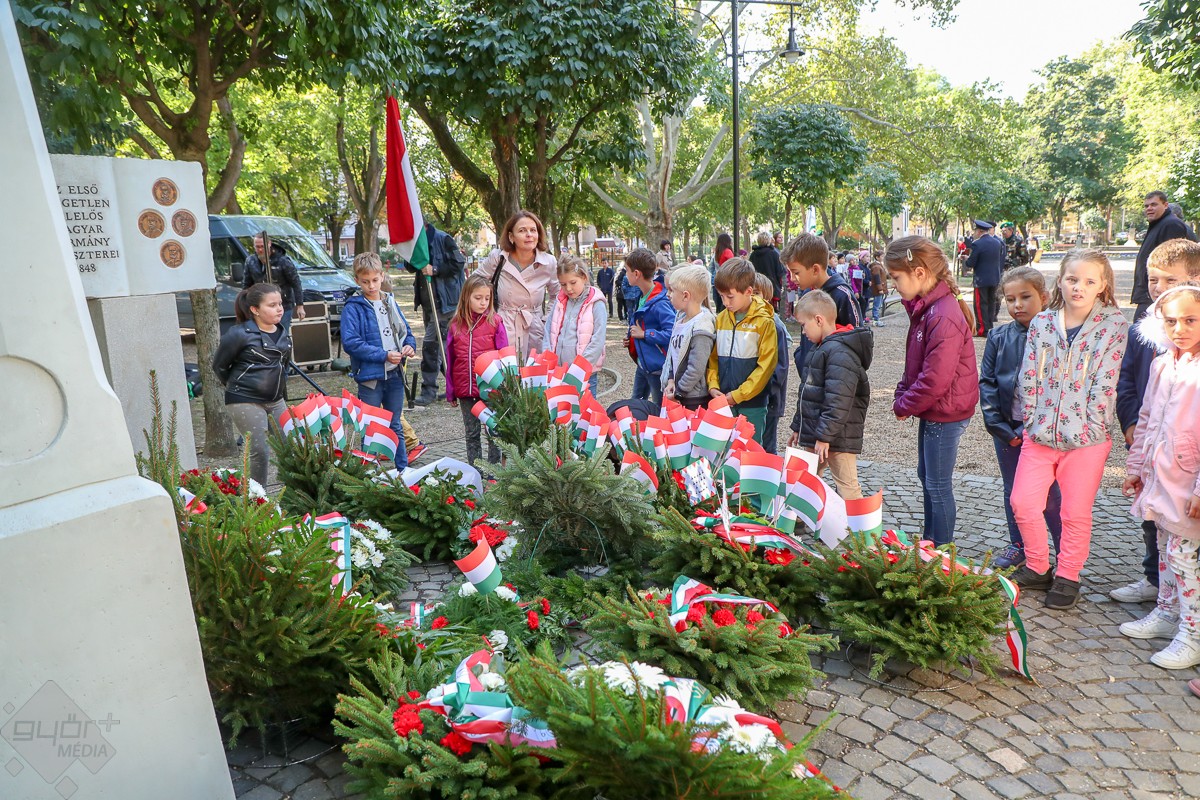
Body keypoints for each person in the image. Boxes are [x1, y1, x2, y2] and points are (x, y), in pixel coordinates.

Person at [1009, 250, 1128, 609]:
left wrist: (1092, 423)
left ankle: (1068, 575)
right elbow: (1029, 373)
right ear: (1060, 280)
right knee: (1023, 502)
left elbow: (1107, 380)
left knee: (1074, 512)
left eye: (1089, 281)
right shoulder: (1043, 322)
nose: (1079, 287)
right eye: (1073, 279)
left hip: (1087, 440)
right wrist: (1032, 417)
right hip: (1041, 434)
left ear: (1102, 285)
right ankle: (1038, 566)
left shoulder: (1113, 325)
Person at [1111, 239, 1200, 603]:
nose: (1158, 287)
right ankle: (1155, 582)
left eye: (1169, 280)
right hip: (1148, 440)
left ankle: (1186, 609)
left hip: (1186, 454)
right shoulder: (1147, 326)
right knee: (1154, 521)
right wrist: (1130, 423)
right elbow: (1128, 379)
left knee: (1184, 536)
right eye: (1153, 280)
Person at [1119, 285, 1200, 669]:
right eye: (1171, 321)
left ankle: (1193, 633)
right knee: (1167, 547)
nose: (1179, 329)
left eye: (1190, 320)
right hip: (1161, 476)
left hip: (1188, 481)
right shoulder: (1162, 363)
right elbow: (1148, 418)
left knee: (1184, 556)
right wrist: (1136, 468)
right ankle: (1167, 612)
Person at [885, 236, 979, 547]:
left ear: (920, 273)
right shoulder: (928, 308)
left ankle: (940, 549)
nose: (894, 285)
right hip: (936, 409)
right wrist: (903, 392)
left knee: (937, 485)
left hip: (945, 411)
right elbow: (916, 363)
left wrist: (904, 404)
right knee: (927, 478)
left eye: (896, 277)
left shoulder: (942, 313)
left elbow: (935, 379)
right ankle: (931, 543)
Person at [979, 266, 1063, 569]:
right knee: (1013, 490)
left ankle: (1064, 549)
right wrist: (999, 426)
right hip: (1009, 429)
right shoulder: (999, 336)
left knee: (1050, 494)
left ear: (1044, 297)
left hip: (1045, 432)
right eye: (1010, 299)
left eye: (1025, 297)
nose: (1017, 305)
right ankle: (1020, 544)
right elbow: (988, 382)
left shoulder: (1059, 335)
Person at [788, 290, 872, 499]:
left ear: (819, 320)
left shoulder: (840, 353)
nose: (803, 332)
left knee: (847, 485)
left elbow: (838, 400)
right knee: (807, 481)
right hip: (818, 433)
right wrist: (798, 426)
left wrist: (824, 436)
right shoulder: (822, 348)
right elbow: (808, 392)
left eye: (804, 325)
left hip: (837, 436)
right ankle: (802, 515)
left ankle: (858, 522)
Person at [341, 252, 417, 469]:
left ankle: (403, 471)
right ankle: (369, 474)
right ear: (357, 280)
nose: (371, 286)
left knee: (395, 425)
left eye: (375, 280)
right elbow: (351, 343)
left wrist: (409, 345)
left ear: (382, 276)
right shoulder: (353, 307)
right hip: (370, 378)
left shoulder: (389, 301)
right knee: (371, 427)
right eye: (365, 281)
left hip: (394, 373)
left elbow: (406, 331)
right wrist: (383, 355)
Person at [212, 283, 291, 486]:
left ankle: (293, 494)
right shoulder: (238, 334)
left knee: (291, 446)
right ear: (255, 310)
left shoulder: (283, 333)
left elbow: (283, 367)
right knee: (259, 451)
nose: (279, 309)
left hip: (276, 400)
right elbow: (220, 366)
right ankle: (257, 497)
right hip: (244, 398)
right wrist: (240, 387)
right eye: (272, 305)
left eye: (280, 304)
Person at [707, 257, 778, 444]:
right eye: (721, 296)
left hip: (752, 405)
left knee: (749, 450)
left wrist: (738, 395)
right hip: (723, 401)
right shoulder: (721, 318)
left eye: (730, 297)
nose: (725, 302)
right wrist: (713, 385)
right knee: (723, 450)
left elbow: (766, 367)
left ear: (748, 292)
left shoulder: (764, 322)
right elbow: (713, 359)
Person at [781, 233, 863, 385]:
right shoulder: (807, 293)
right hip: (810, 384)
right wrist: (801, 357)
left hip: (834, 386)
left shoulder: (842, 295)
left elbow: (858, 344)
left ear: (815, 269)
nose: (792, 278)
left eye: (796, 272)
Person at [446, 273, 509, 468]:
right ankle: (475, 471)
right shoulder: (455, 325)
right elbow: (451, 360)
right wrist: (451, 391)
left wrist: (505, 386)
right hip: (466, 390)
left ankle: (494, 471)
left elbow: (504, 356)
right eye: (478, 298)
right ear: (467, 297)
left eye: (487, 298)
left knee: (494, 431)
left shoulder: (495, 322)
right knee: (472, 433)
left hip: (490, 389)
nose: (483, 303)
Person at [476, 210, 557, 356]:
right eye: (522, 230)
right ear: (511, 236)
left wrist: (547, 320)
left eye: (533, 230)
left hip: (534, 327)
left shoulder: (548, 262)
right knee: (506, 367)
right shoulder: (498, 258)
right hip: (503, 325)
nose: (529, 234)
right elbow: (474, 284)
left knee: (532, 367)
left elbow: (557, 295)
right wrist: (487, 313)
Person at [406, 223, 466, 406]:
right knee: (444, 349)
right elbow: (410, 267)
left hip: (444, 304)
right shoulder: (415, 242)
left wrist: (435, 269)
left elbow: (459, 263)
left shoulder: (443, 238)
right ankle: (456, 387)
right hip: (428, 304)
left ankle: (429, 390)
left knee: (430, 346)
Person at [544, 256, 607, 396]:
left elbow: (598, 339)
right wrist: (548, 358)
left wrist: (579, 368)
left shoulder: (596, 304)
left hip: (584, 374)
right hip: (558, 371)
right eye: (563, 284)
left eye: (573, 282)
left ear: (584, 277)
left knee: (585, 408)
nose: (568, 288)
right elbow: (548, 330)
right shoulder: (559, 302)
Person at [660, 264, 717, 411]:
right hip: (679, 392)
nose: (668, 294)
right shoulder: (680, 321)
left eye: (672, 290)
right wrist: (671, 380)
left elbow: (696, 368)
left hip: (693, 398)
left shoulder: (701, 328)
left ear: (685, 295)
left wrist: (679, 392)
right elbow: (674, 356)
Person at [1134, 191, 1196, 319]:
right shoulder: (1159, 224)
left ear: (1165, 205)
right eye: (1146, 206)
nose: (1149, 208)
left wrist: (1159, 287)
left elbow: (1171, 265)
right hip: (1151, 294)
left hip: (1162, 296)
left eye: (1154, 204)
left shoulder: (1171, 225)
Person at [624, 247, 674, 405]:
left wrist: (644, 334)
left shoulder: (660, 302)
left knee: (660, 408)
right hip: (643, 364)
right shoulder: (642, 295)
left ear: (636, 274)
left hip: (657, 368)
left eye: (627, 270)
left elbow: (672, 333)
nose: (625, 274)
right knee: (635, 403)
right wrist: (632, 340)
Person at [753, 274, 789, 454]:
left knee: (767, 448)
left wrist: (766, 390)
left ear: (766, 296)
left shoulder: (775, 325)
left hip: (769, 399)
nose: (753, 298)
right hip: (748, 398)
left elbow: (780, 367)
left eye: (757, 293)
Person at [243, 234, 305, 330]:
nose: (260, 250)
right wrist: (244, 305)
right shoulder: (250, 261)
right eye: (257, 247)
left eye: (262, 246)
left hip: (283, 305)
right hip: (261, 306)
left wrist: (300, 306)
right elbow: (246, 285)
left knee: (280, 332)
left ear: (269, 244)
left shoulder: (283, 261)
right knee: (263, 333)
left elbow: (296, 283)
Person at [966, 220, 1005, 337]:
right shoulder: (997, 242)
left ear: (979, 231)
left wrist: (966, 259)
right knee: (991, 303)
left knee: (980, 304)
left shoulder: (977, 244)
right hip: (994, 278)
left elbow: (971, 263)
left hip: (981, 279)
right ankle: (989, 326)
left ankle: (982, 329)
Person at [748, 231, 786, 306]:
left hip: (757, 288)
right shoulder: (774, 254)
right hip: (772, 288)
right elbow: (780, 272)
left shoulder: (753, 255)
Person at [711, 232, 734, 312]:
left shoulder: (717, 253)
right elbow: (732, 265)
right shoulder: (728, 252)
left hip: (718, 278)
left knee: (719, 303)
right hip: (727, 279)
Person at [869, 257, 888, 326]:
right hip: (878, 289)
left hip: (881, 288)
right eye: (882, 256)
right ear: (877, 257)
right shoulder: (876, 267)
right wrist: (880, 289)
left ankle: (877, 319)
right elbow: (877, 278)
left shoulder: (880, 265)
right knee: (877, 305)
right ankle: (875, 320)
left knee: (878, 304)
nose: (883, 257)